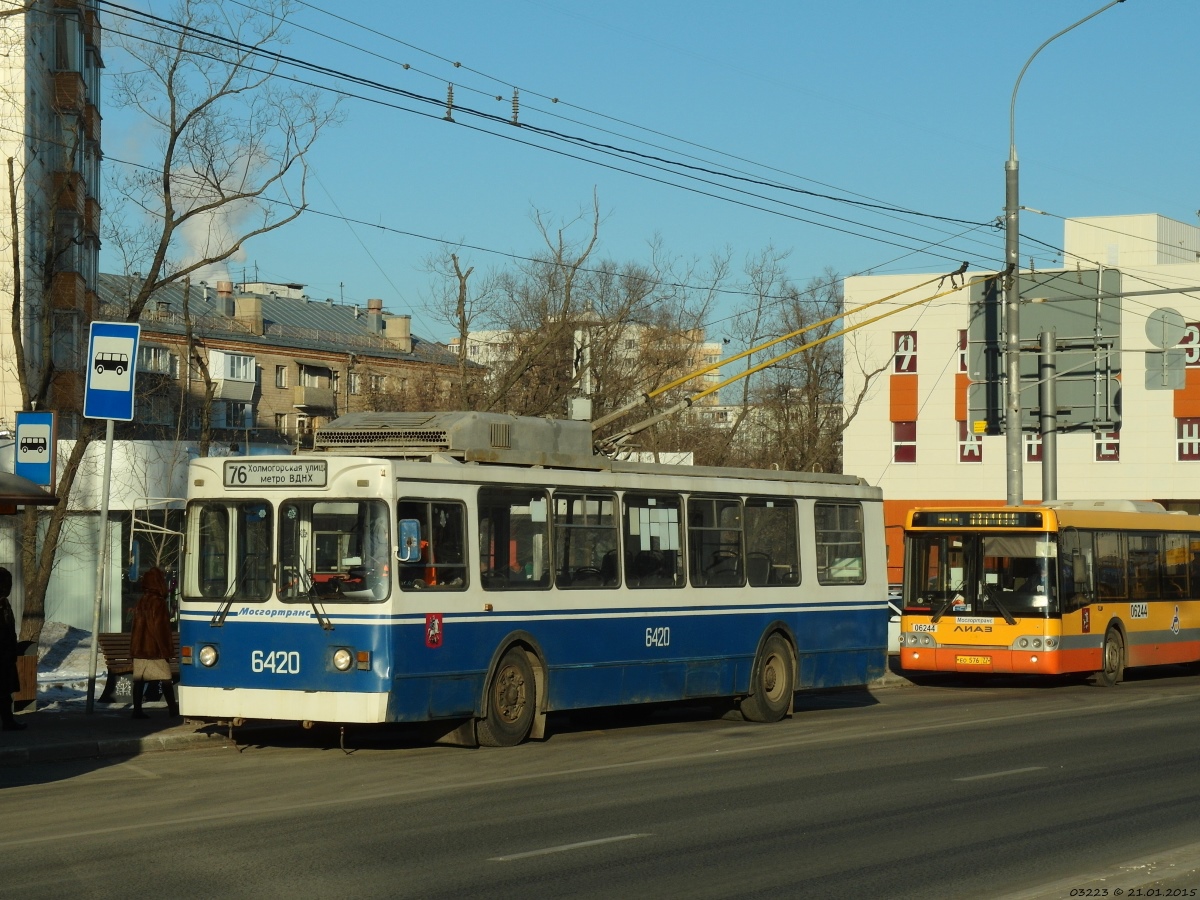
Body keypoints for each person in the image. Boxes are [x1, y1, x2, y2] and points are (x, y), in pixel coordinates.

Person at [129, 567, 178, 719]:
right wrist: (166, 650)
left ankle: (137, 710)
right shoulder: (159, 602)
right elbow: (160, 628)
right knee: (166, 678)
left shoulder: (142, 600)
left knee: (138, 681)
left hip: (140, 649)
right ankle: (173, 710)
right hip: (155, 650)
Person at [0, 567, 26, 731]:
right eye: (5, 584)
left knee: (4, 692)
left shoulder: (4, 604)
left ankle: (8, 722)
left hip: (6, 655)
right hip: (2, 654)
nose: (8, 587)